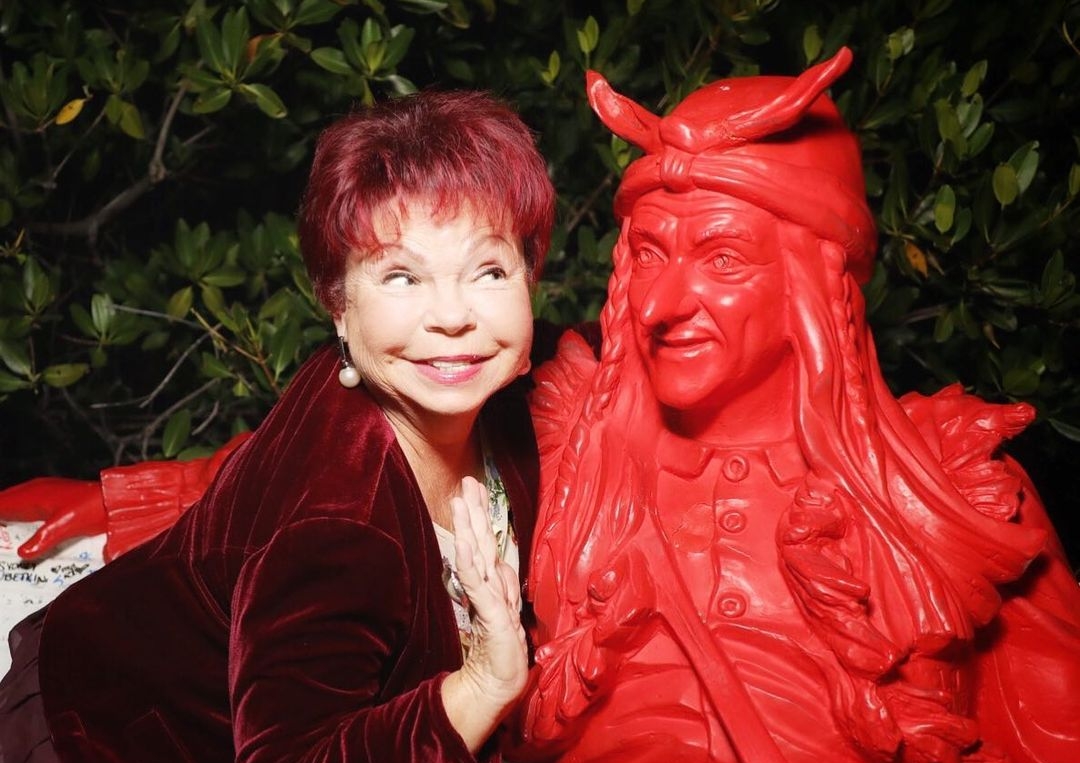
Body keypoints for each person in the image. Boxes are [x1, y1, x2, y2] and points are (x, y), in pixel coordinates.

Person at [519, 48, 1080, 762]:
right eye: (651, 254)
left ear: (812, 280)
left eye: (723, 258)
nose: (659, 306)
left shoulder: (954, 489)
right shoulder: (560, 463)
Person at [0, 88, 556, 762]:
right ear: (339, 306)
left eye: (489, 270)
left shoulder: (491, 385)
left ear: (529, 278)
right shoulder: (335, 525)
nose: (452, 317)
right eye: (402, 277)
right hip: (108, 732)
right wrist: (482, 687)